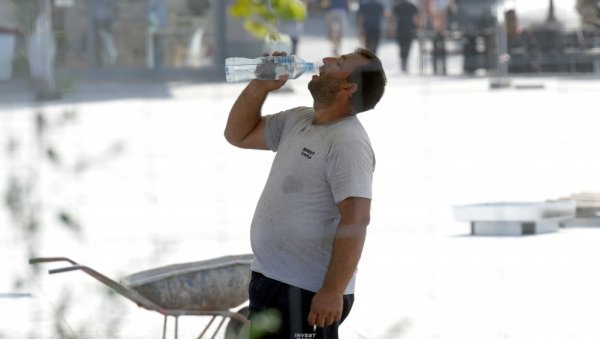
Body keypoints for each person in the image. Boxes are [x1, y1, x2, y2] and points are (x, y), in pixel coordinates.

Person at [224, 48, 386, 339]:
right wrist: (260, 84)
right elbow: (237, 134)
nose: (325, 60)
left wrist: (332, 291)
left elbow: (357, 220)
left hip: (307, 292)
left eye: (339, 63)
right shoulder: (298, 119)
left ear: (348, 88)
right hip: (269, 279)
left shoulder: (348, 142)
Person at [391, 0, 419, 73]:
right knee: (407, 46)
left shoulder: (397, 6)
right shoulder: (412, 6)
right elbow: (416, 17)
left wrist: (393, 28)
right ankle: (405, 61)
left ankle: (403, 62)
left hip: (400, 29)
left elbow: (393, 18)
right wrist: (417, 27)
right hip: (409, 29)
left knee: (401, 46)